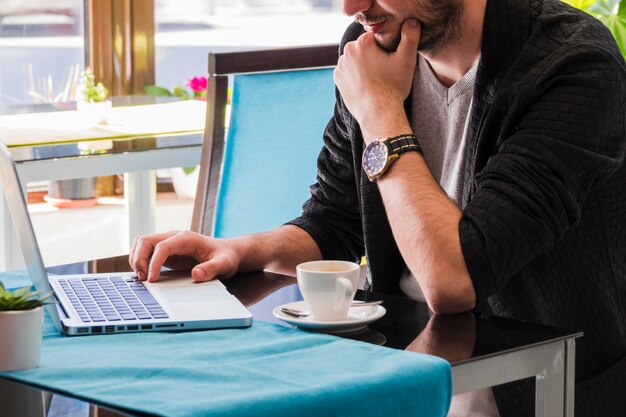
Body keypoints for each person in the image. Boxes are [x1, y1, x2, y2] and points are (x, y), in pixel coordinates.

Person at [130, 0, 626, 416]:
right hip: (409, 377)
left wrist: (382, 112)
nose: (351, 7)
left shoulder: (573, 65)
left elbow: (454, 282)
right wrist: (241, 250)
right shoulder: (372, 43)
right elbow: (336, 217)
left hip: (541, 390)